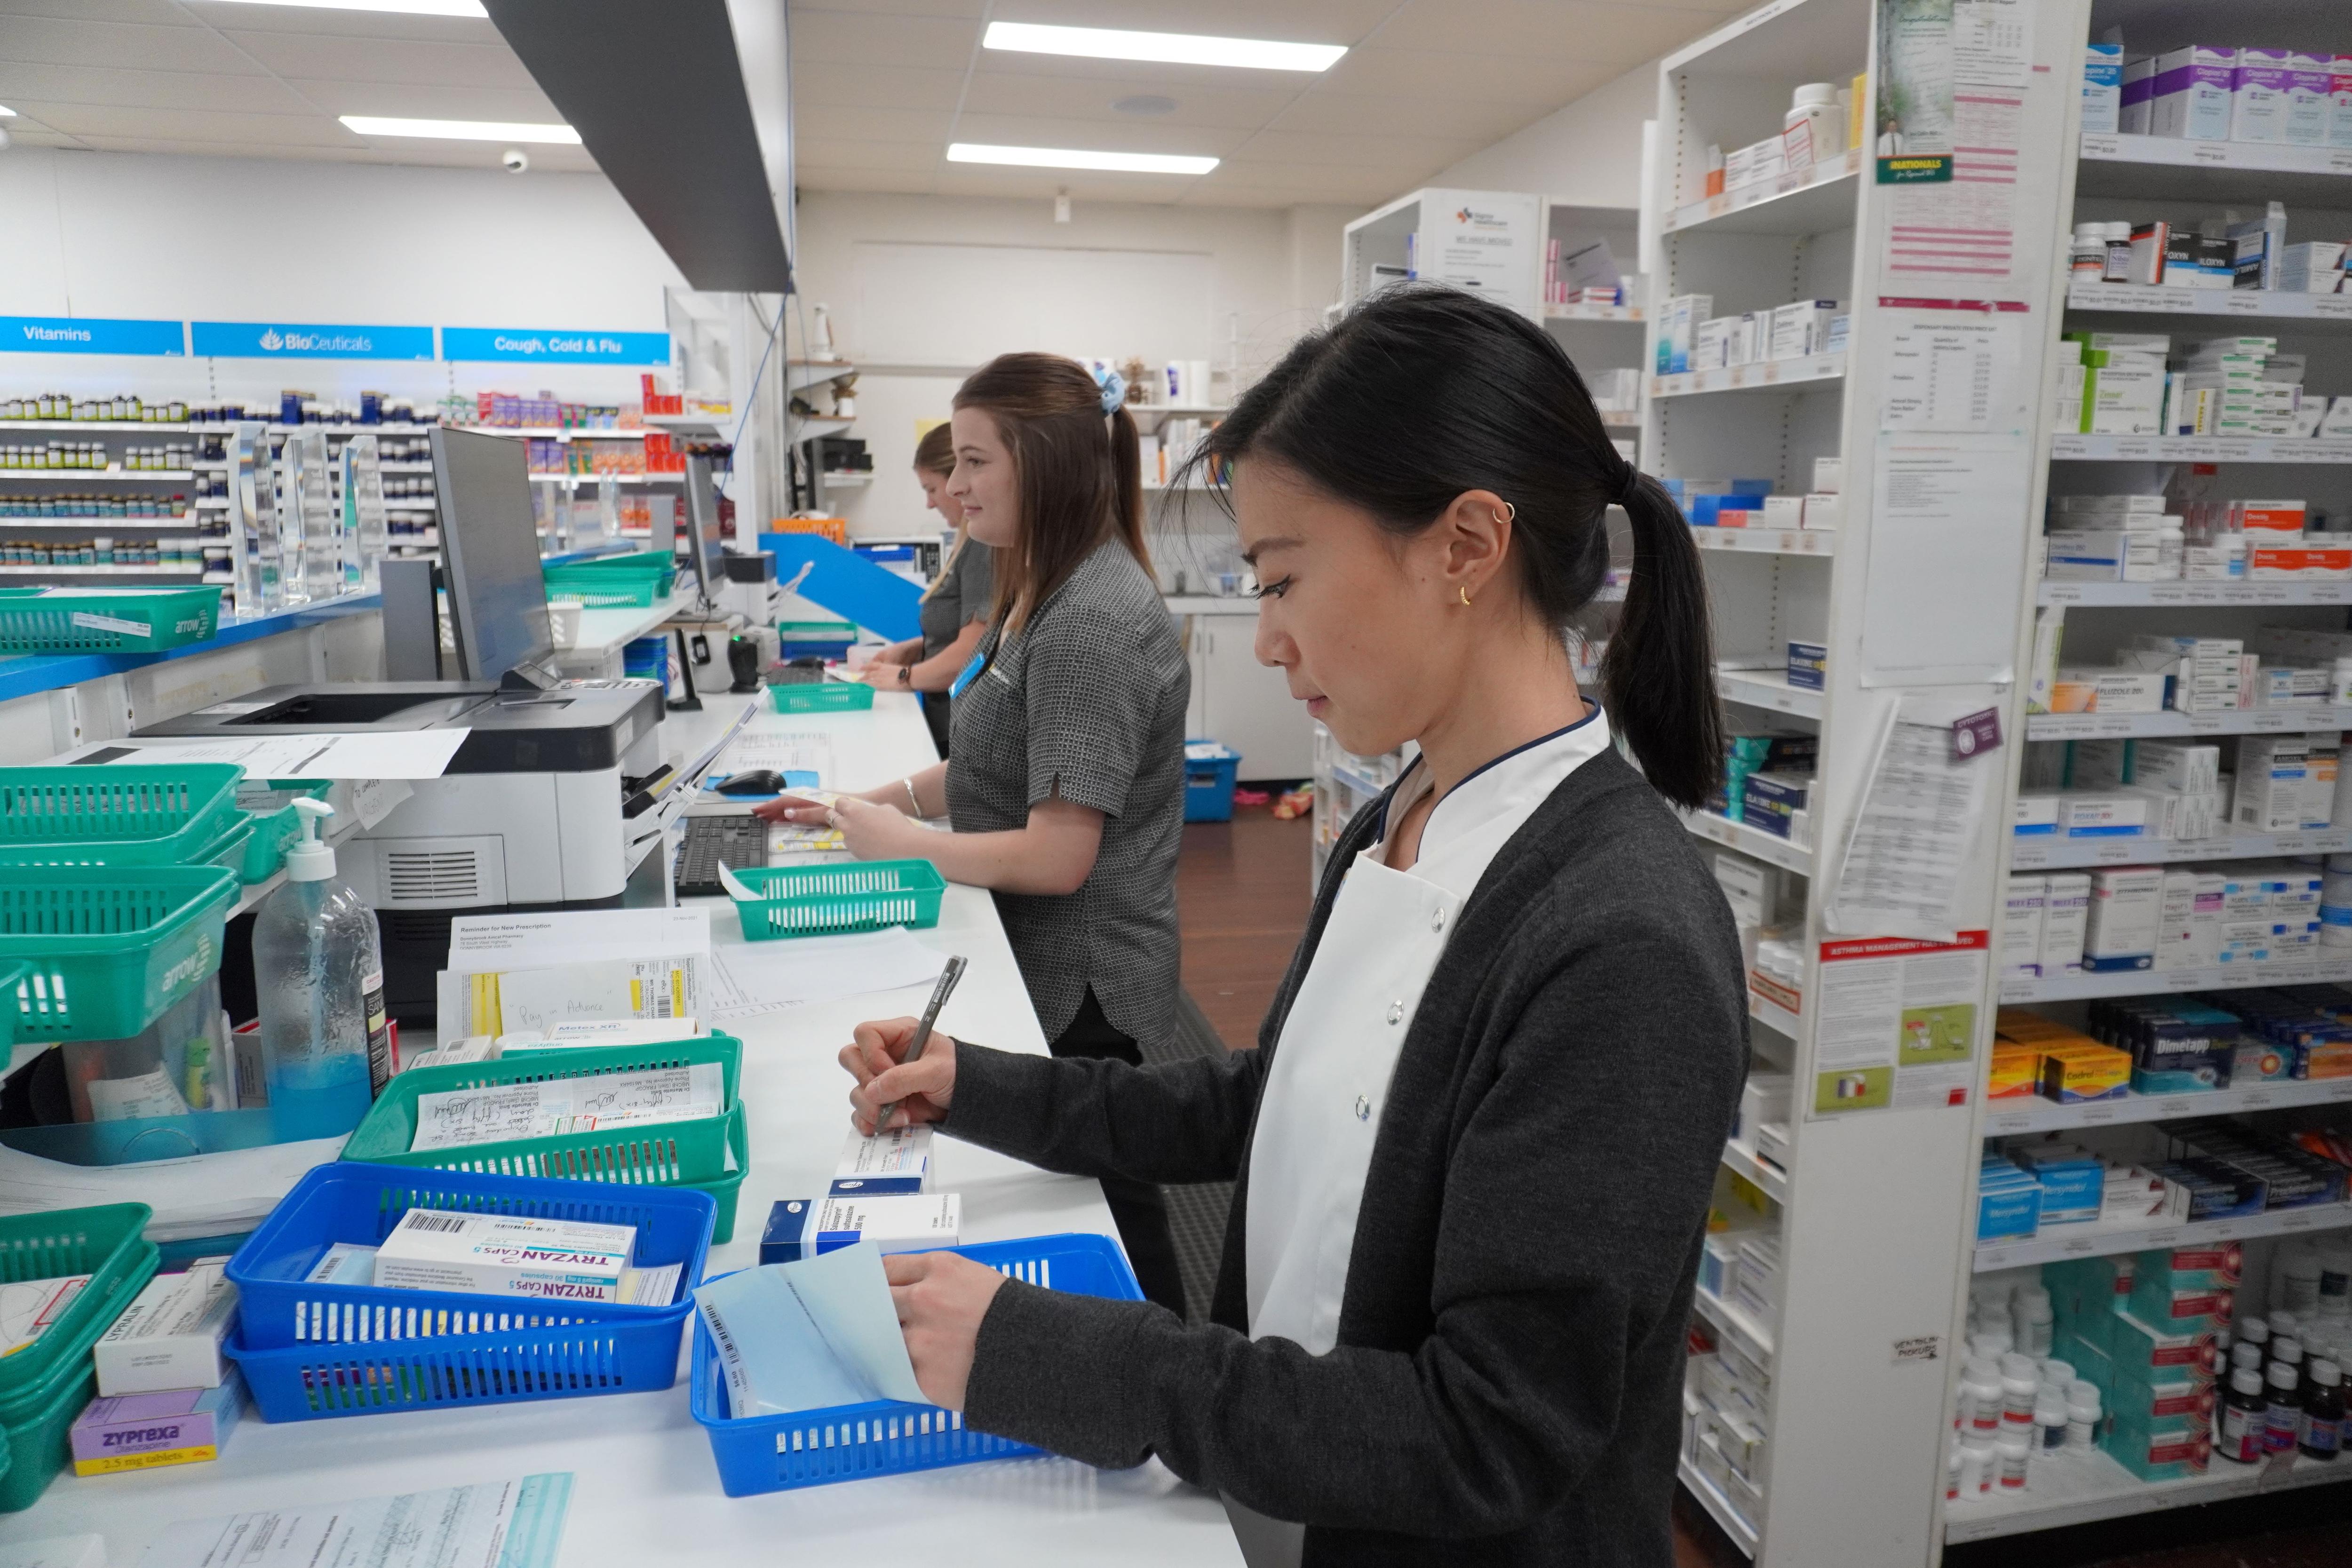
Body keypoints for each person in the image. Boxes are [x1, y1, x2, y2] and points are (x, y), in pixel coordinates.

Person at [834, 286, 1748, 1567]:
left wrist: (1080, 1357)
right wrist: (978, 1083)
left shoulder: (1618, 939)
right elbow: (1272, 1101)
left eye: (1284, 579)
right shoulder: (1404, 813)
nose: (1264, 639)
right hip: (1288, 1477)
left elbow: (1494, 1428)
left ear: (1467, 546)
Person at [759, 352, 1190, 1315]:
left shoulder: (1092, 622)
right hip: (1039, 952)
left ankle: (1165, 1374)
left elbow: (1058, 849)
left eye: (972, 462)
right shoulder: (1041, 587)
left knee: (1105, 1202)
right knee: (1092, 1184)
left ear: (1046, 464)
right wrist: (861, 806)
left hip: (1086, 977)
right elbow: (995, 765)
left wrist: (899, 843)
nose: (952, 488)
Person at [858, 422, 994, 757]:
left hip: (965, 733)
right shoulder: (968, 543)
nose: (930, 504)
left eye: (932, 489)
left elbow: (974, 651)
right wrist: (917, 649)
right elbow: (974, 632)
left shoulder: (983, 545)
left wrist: (904, 676)